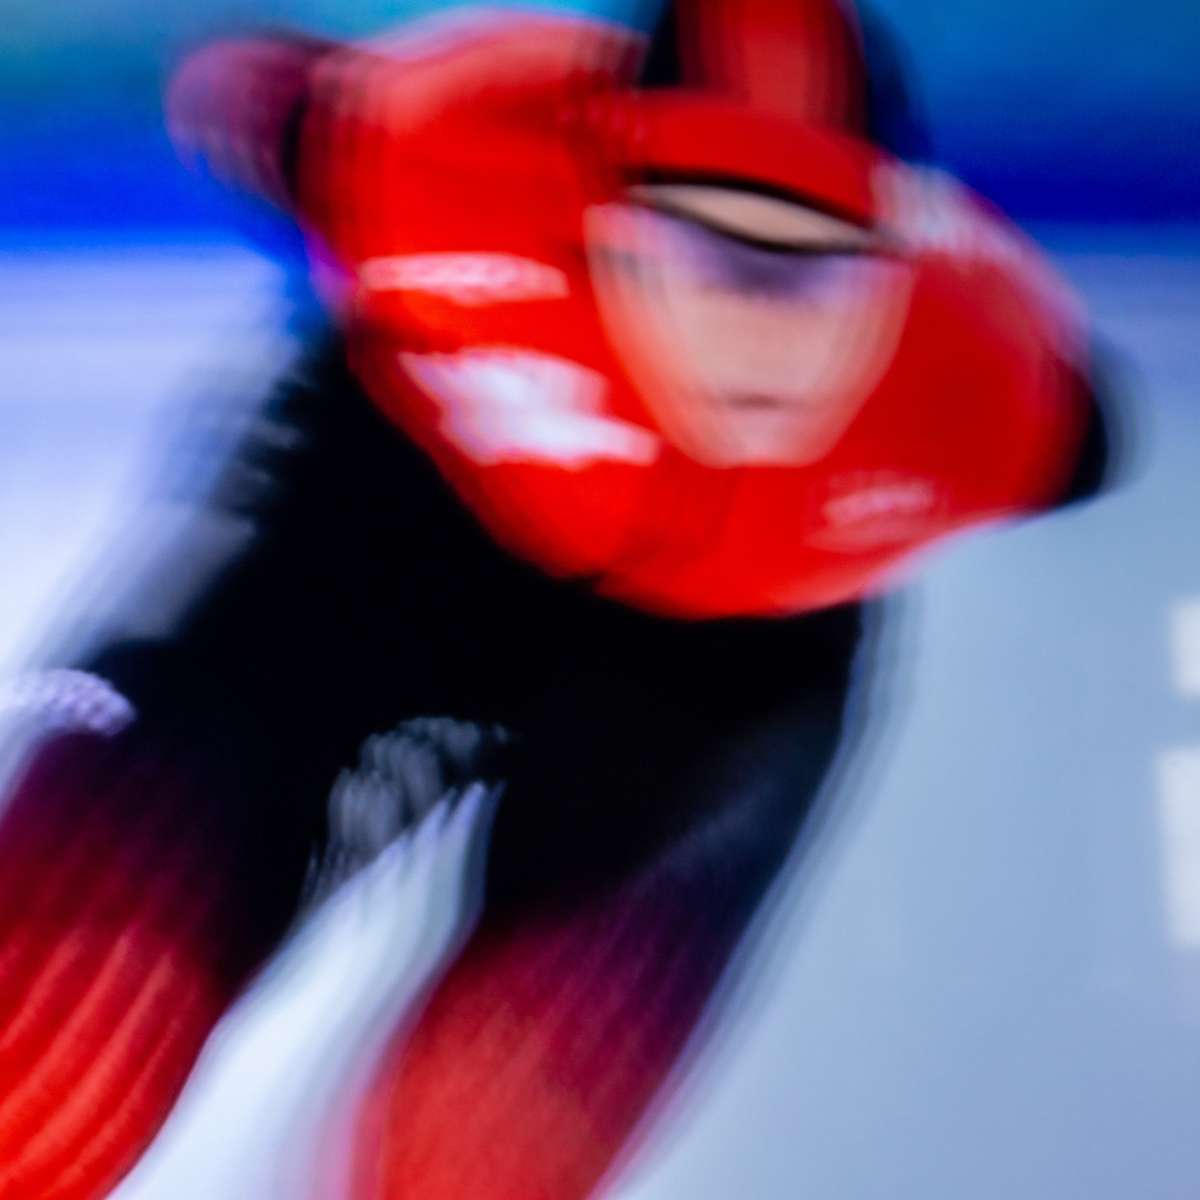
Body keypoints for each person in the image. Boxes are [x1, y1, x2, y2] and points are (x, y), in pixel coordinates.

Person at [0, 2, 1110, 1196]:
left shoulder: (994, 396)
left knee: (478, 1156)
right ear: (606, 219)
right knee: (47, 1040)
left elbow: (1084, 442)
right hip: (376, 530)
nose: (753, 329)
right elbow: (253, 92)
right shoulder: (427, 149)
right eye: (708, 255)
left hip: (716, 688)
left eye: (820, 274)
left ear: (907, 274)